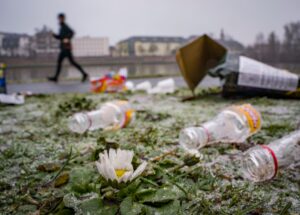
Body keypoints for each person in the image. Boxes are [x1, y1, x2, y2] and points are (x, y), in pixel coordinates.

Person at [48, 13, 88, 82]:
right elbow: (60, 37)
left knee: (67, 62)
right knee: (67, 62)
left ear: (63, 18)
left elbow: (72, 32)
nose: (59, 19)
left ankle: (56, 78)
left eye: (60, 18)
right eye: (59, 18)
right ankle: (84, 74)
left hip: (66, 48)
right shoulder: (61, 27)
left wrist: (67, 39)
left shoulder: (65, 26)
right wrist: (54, 35)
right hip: (64, 48)